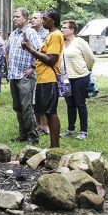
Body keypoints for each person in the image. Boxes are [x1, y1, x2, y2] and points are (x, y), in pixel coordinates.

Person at [21, 10, 64, 148]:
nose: (43, 21)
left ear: (53, 20)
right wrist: (30, 48)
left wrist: (31, 50)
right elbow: (43, 54)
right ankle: (52, 145)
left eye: (45, 19)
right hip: (42, 78)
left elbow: (51, 59)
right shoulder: (49, 36)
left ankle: (55, 146)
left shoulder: (56, 35)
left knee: (51, 112)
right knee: (45, 111)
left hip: (50, 79)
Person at [6, 7, 42, 144]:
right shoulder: (14, 34)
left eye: (17, 17)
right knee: (17, 107)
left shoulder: (30, 32)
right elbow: (7, 50)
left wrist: (33, 67)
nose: (14, 18)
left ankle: (33, 135)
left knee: (26, 107)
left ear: (25, 18)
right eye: (14, 16)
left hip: (25, 75)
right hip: (14, 75)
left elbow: (40, 51)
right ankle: (22, 134)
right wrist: (8, 67)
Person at [61, 20, 95, 140]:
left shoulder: (79, 41)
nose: (62, 29)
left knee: (80, 103)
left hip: (80, 76)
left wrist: (87, 70)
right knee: (69, 103)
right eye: (62, 27)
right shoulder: (61, 42)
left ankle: (83, 131)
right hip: (64, 78)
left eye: (65, 27)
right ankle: (70, 129)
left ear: (72, 30)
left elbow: (90, 58)